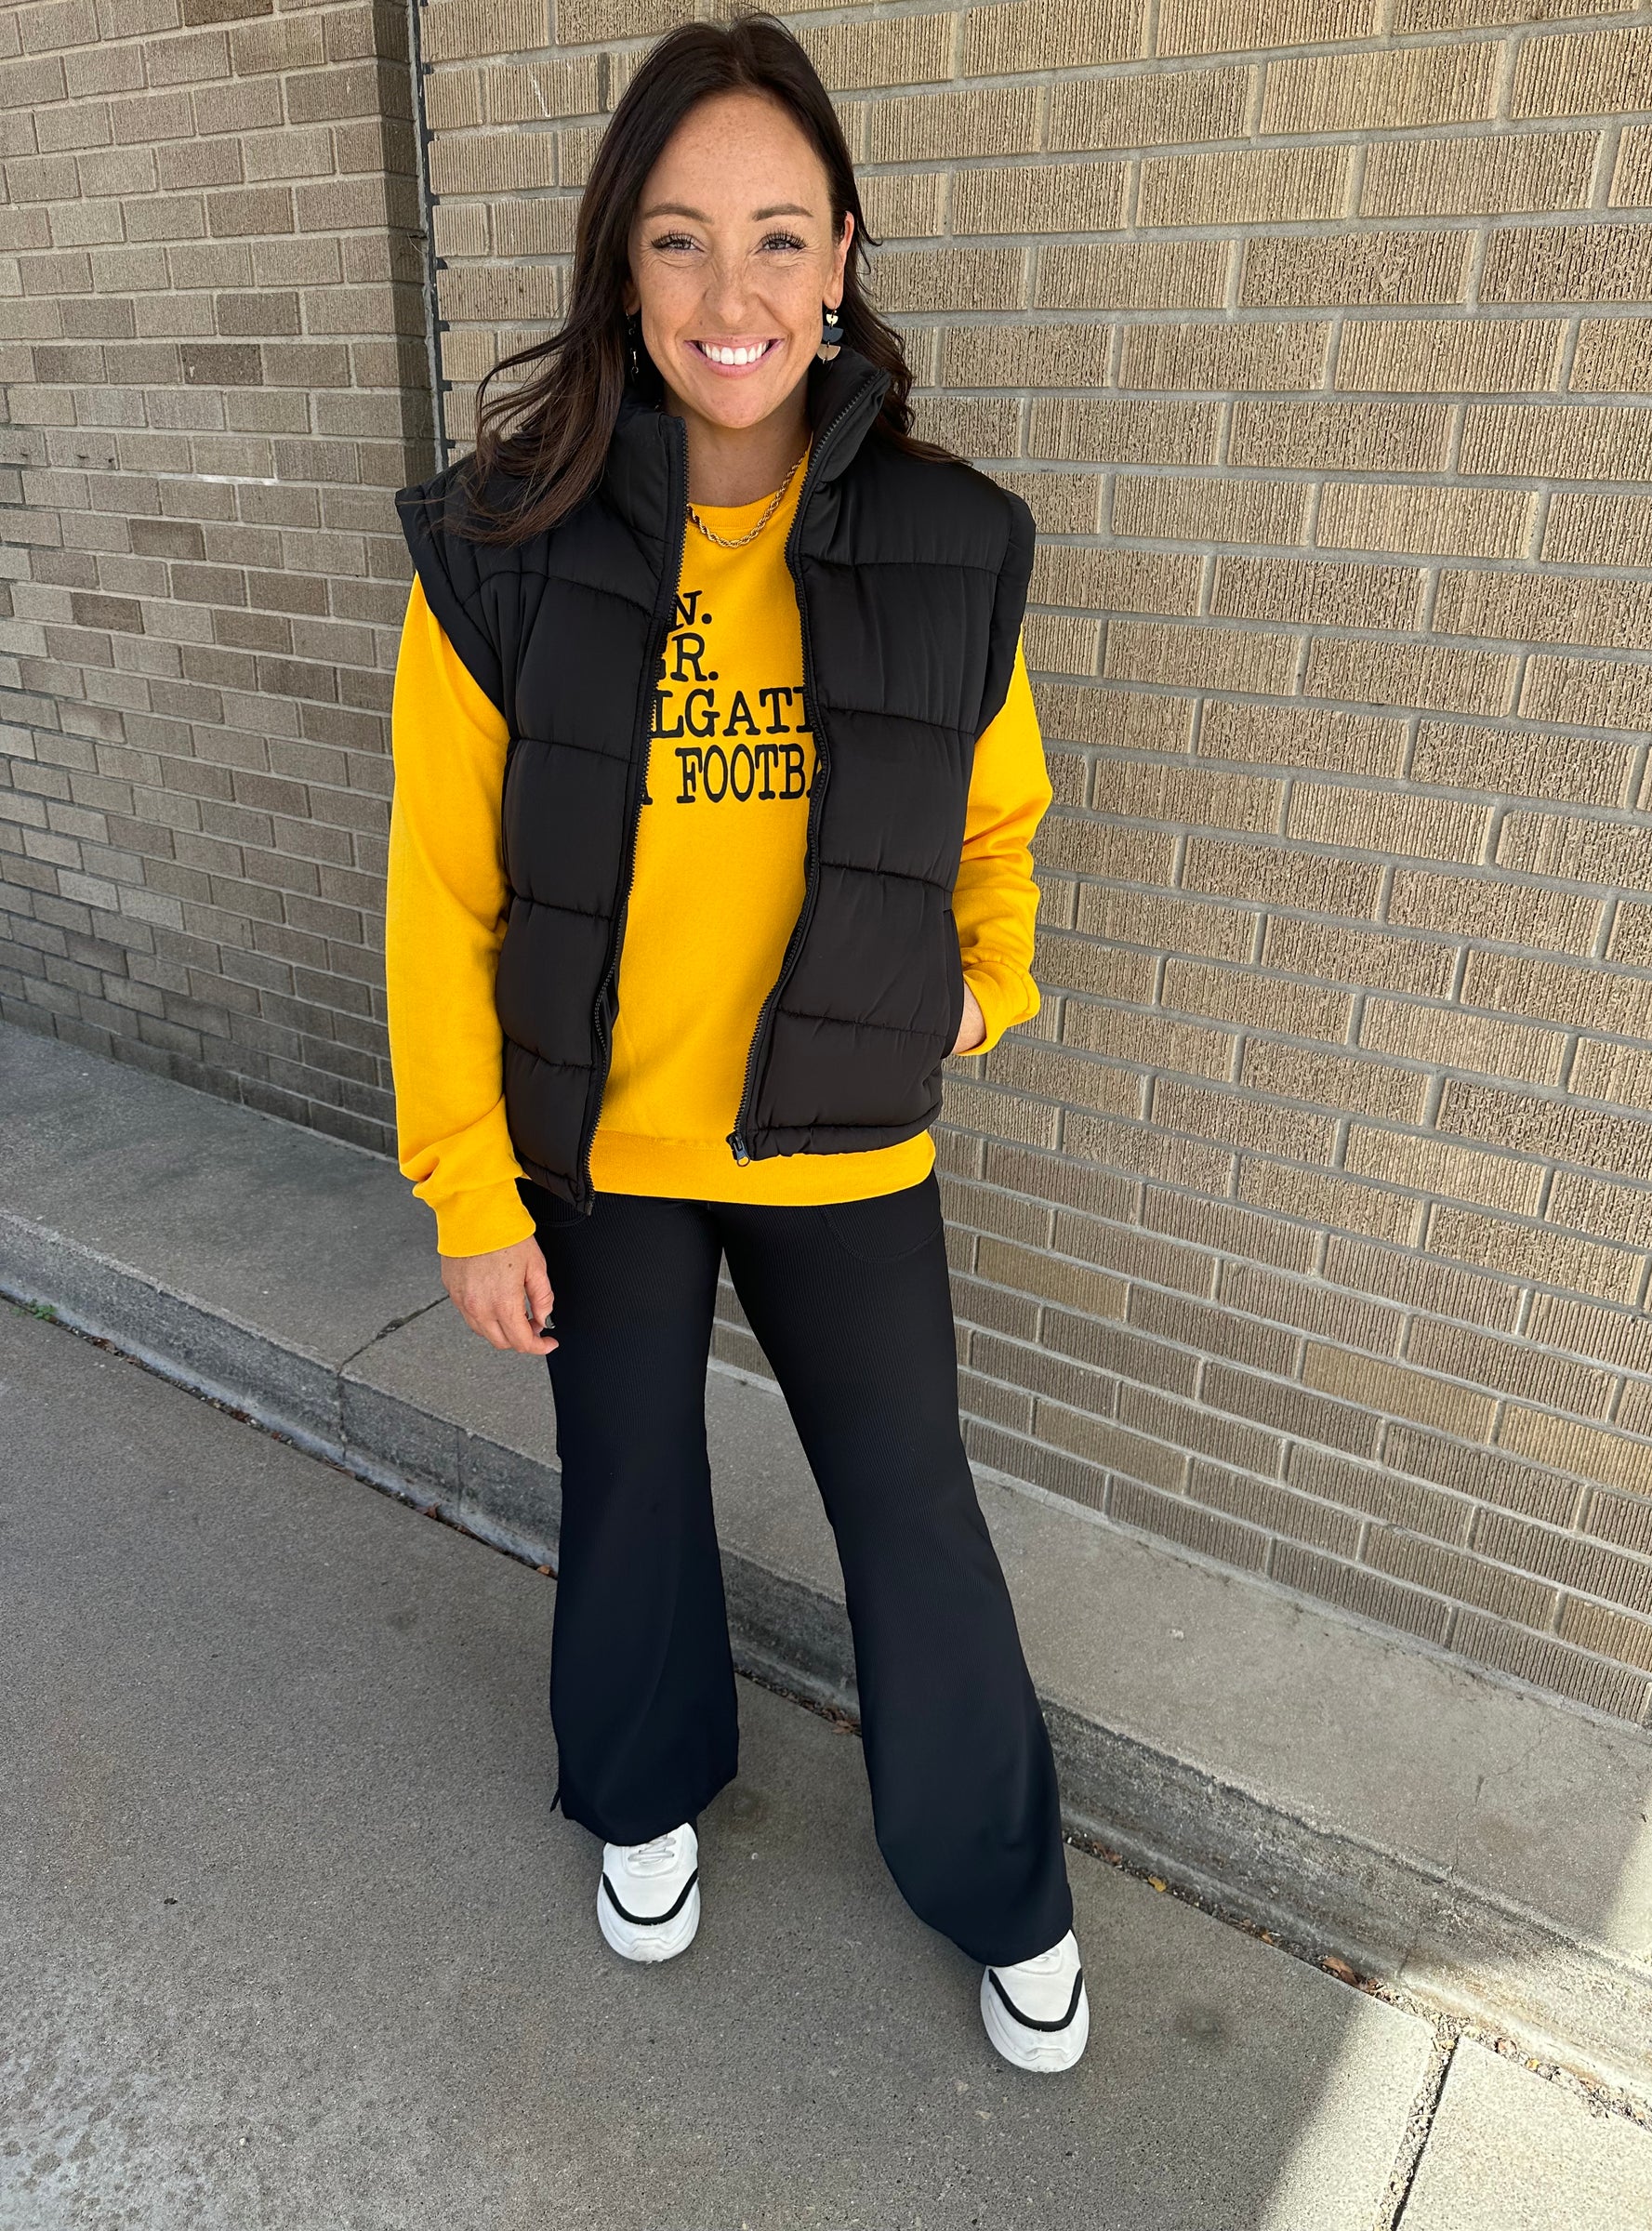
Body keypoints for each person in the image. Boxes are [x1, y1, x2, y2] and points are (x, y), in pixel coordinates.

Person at [386, 12, 1087, 2074]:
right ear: (623, 266)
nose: (732, 293)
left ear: (845, 257)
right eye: (681, 241)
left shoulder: (952, 544)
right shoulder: (502, 551)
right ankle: (643, 1790)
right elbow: (439, 894)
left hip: (840, 1143)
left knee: (914, 1515)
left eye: (779, 239)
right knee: (630, 1494)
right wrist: (463, 1184)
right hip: (598, 1150)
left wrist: (984, 973)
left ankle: (993, 1875)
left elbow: (999, 811)